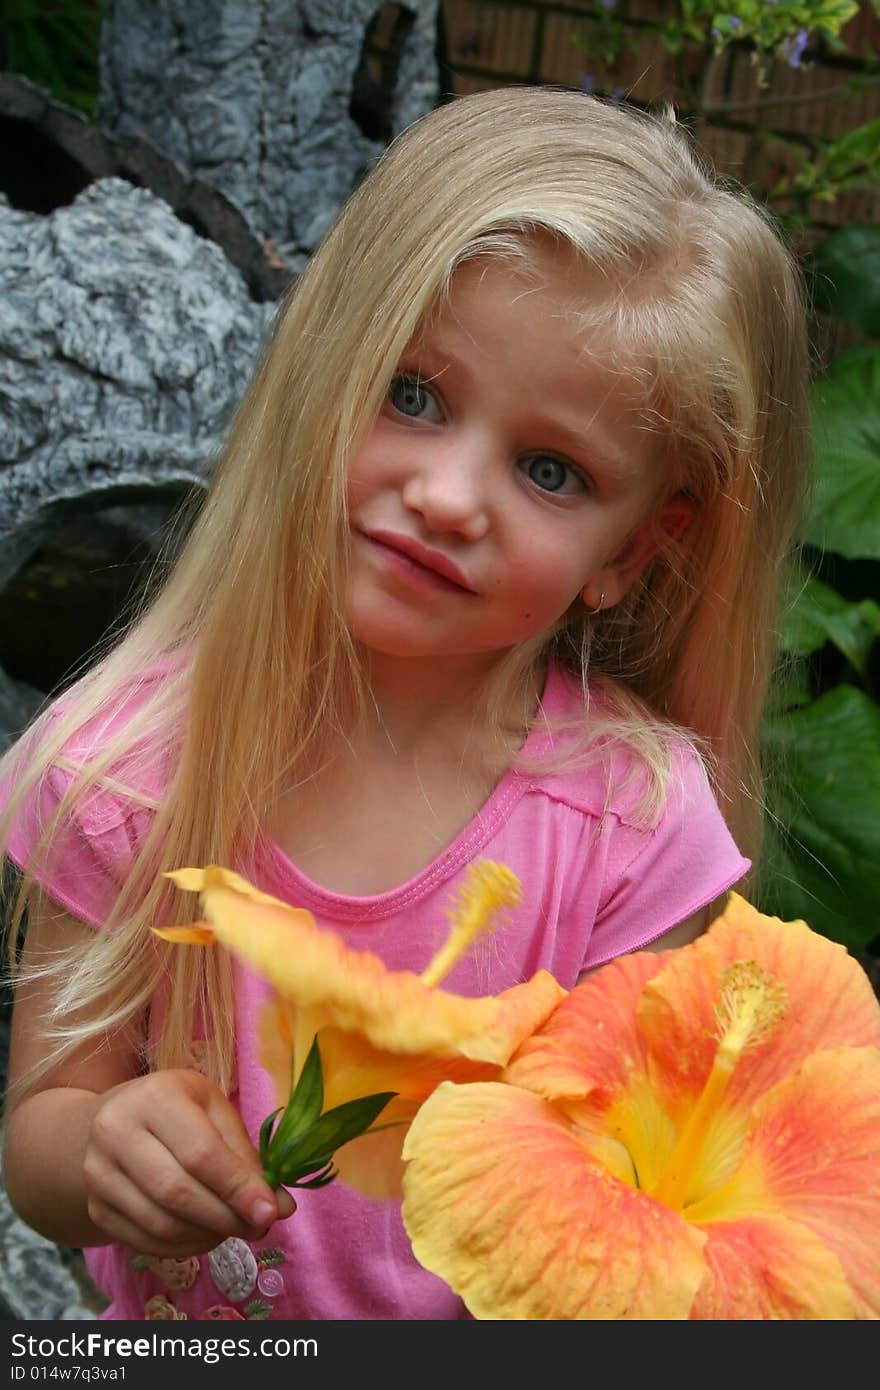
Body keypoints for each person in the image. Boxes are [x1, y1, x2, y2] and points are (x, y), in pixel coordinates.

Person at [0, 85, 809, 1321]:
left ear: (634, 551)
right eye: (413, 393)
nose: (446, 494)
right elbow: (41, 1142)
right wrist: (108, 1143)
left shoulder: (630, 825)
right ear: (326, 364)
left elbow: (639, 1198)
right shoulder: (122, 768)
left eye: (551, 470)